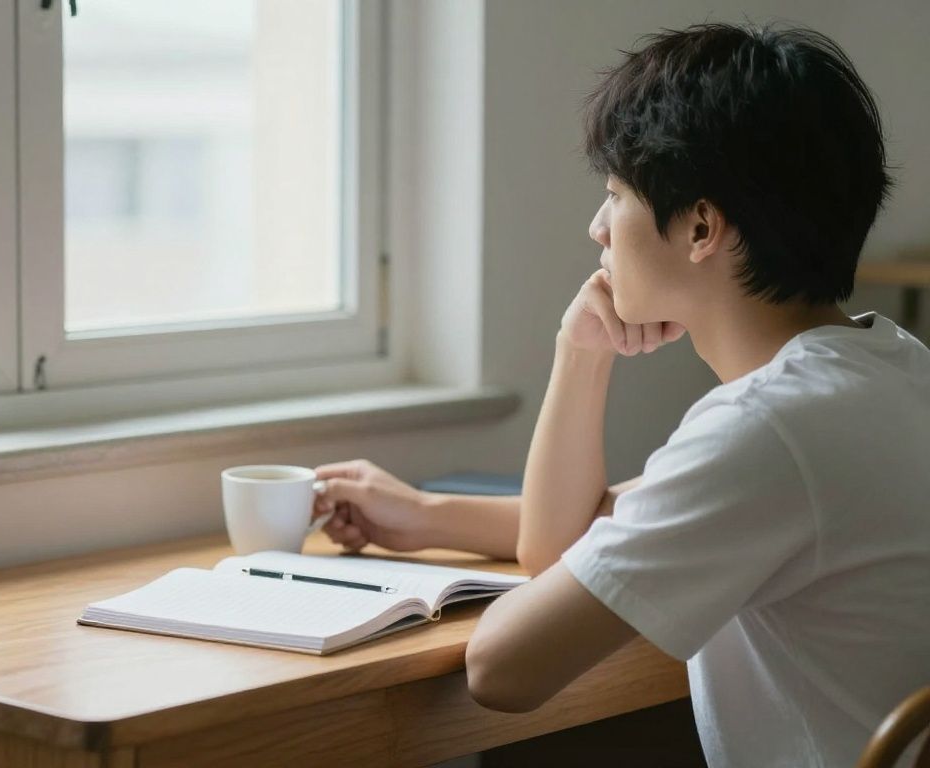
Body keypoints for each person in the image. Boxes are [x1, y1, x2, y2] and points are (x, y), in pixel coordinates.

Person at [311, 22, 930, 768]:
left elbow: (501, 670)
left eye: (616, 194)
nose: (598, 227)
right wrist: (429, 511)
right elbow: (578, 537)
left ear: (701, 226)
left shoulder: (767, 430)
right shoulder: (891, 368)